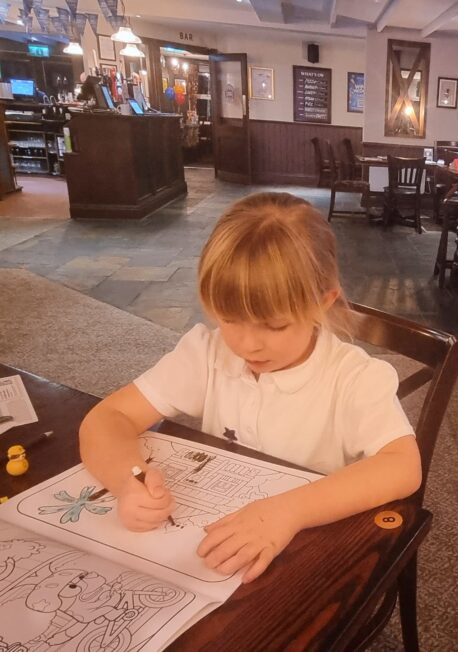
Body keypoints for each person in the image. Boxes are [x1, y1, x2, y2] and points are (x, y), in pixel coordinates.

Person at [79, 192, 421, 583]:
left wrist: (289, 511)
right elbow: (108, 417)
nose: (247, 345)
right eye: (229, 319)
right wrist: (128, 479)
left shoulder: (353, 377)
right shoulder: (206, 354)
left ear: (323, 303)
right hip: (219, 539)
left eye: (274, 326)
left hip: (306, 545)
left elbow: (403, 466)